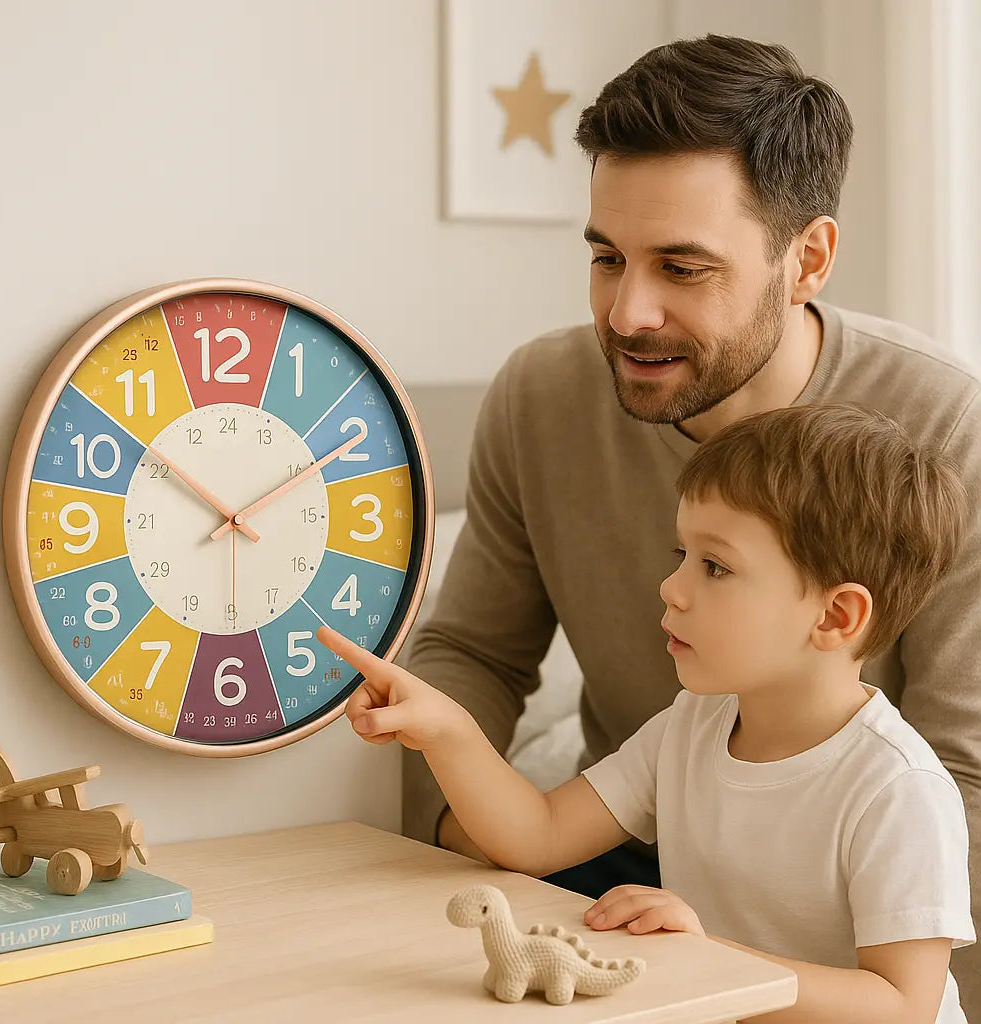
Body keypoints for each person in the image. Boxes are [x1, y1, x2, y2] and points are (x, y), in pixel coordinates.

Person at [400, 33, 981, 1013]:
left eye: (682, 267)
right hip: (615, 858)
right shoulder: (538, 394)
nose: (626, 312)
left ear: (808, 259)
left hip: (847, 910)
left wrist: (759, 965)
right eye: (605, 257)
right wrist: (460, 840)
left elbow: (960, 767)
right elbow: (471, 655)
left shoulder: (943, 429)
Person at [318, 402, 974, 1022]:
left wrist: (708, 958)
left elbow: (901, 1005)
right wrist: (449, 731)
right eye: (680, 555)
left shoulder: (897, 790)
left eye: (715, 566)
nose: (672, 587)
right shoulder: (692, 727)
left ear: (834, 616)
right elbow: (537, 836)